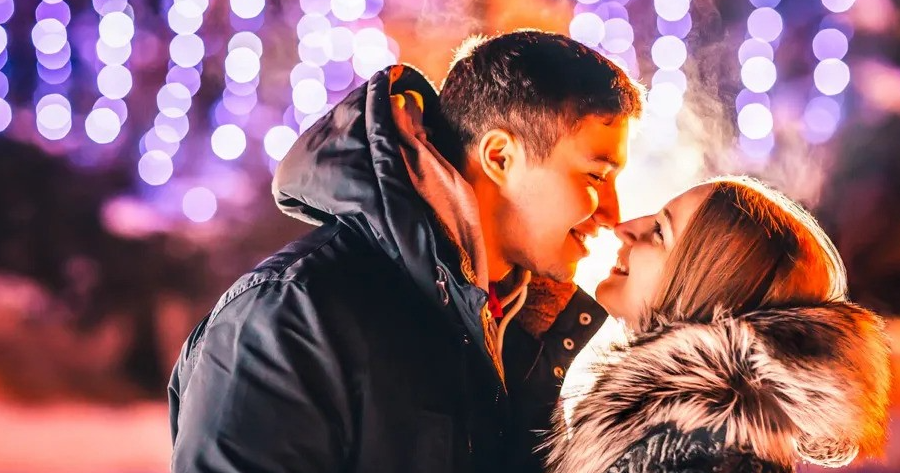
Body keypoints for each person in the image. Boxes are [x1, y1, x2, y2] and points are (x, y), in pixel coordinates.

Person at [167, 30, 644, 472]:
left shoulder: (519, 329)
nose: (613, 212)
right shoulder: (292, 315)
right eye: (596, 176)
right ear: (499, 157)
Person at [546, 177, 891, 473]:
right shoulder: (689, 441)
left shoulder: (700, 456)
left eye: (660, 232)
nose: (624, 228)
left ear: (708, 289)